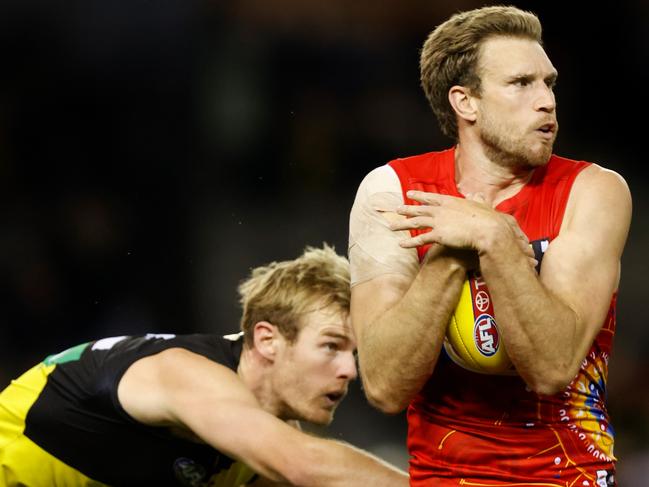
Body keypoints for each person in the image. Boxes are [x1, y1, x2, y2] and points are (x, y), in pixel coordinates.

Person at [349, 5, 630, 486]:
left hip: (568, 476)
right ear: (466, 103)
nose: (546, 101)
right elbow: (384, 385)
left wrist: (495, 237)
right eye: (522, 84)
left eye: (550, 83)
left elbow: (552, 366)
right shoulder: (391, 189)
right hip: (440, 477)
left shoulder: (594, 190)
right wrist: (454, 253)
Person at [0, 245, 408, 487]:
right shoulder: (189, 375)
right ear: (267, 340)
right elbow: (303, 463)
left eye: (351, 353)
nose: (350, 371)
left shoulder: (265, 440)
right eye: (331, 347)